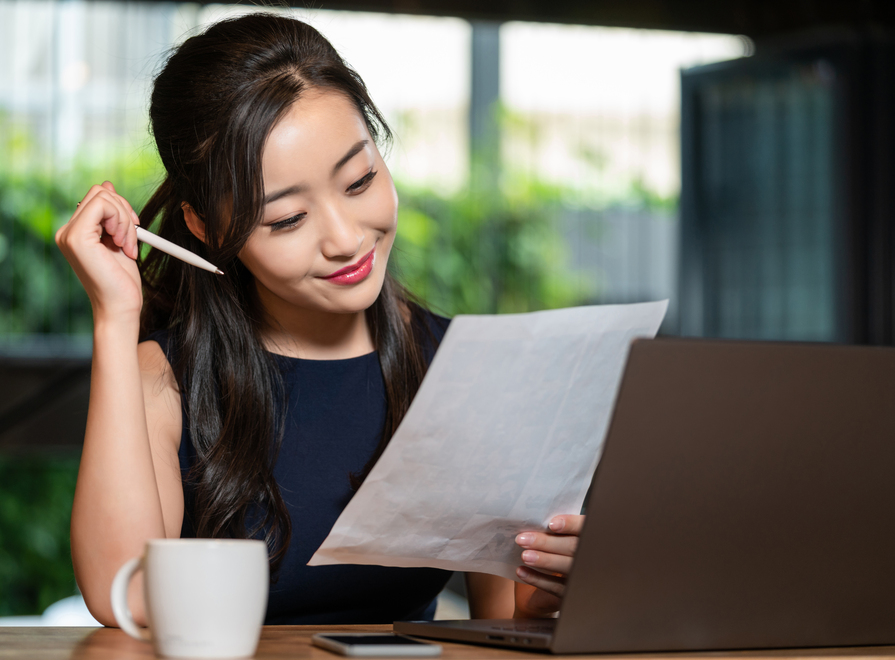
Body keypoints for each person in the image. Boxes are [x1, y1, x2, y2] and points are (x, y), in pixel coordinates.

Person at [55, 13, 583, 626]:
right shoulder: (165, 378)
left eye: (359, 181)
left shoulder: (462, 369)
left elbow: (503, 623)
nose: (345, 239)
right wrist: (116, 320)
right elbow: (127, 598)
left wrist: (558, 582)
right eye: (286, 219)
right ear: (205, 227)